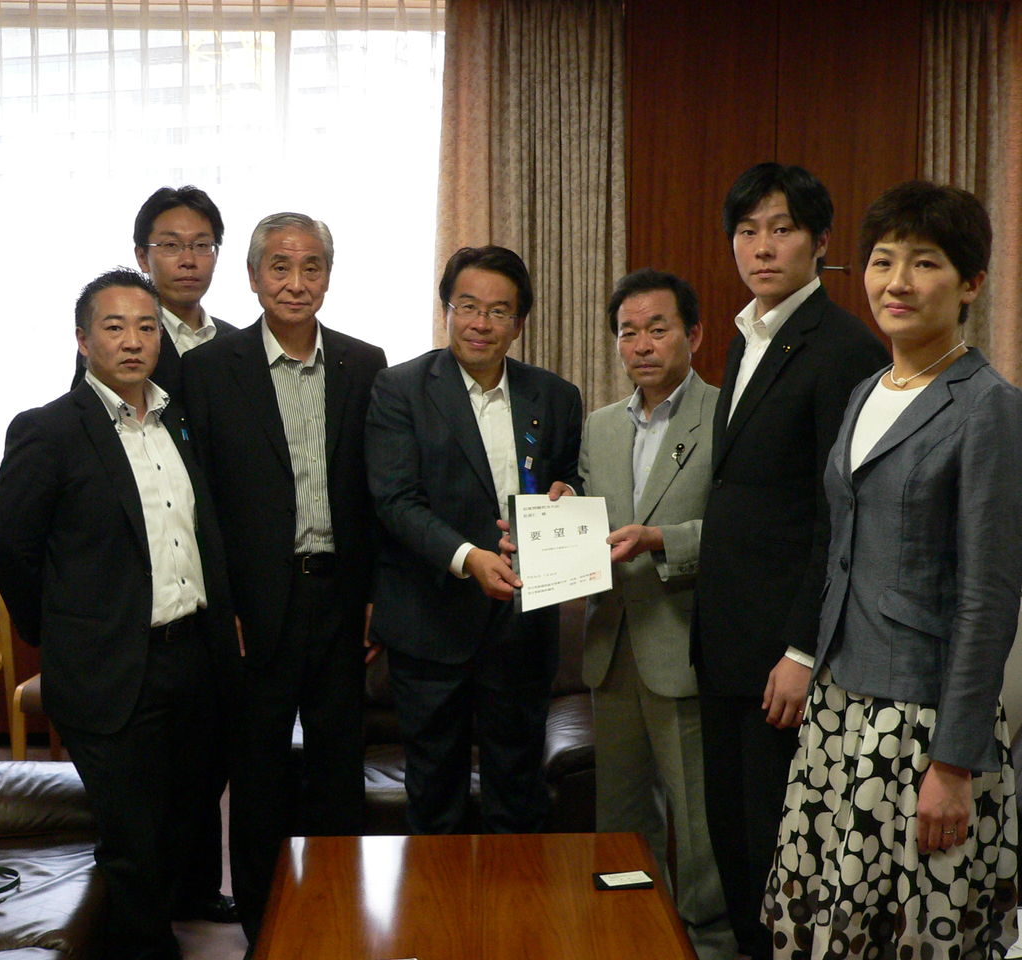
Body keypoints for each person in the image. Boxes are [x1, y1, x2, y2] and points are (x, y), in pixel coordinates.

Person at [764, 180, 1022, 959]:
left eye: (925, 263)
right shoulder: (867, 392)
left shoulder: (990, 407)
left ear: (971, 283)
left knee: (907, 932)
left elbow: (988, 599)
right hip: (838, 704)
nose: (898, 282)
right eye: (884, 261)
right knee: (825, 920)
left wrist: (953, 763)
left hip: (921, 722)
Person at [0, 268, 233, 960]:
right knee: (133, 836)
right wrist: (58, 629)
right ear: (83, 339)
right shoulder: (49, 430)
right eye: (114, 327)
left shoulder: (179, 419)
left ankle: (179, 908)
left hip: (194, 652)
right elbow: (8, 546)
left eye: (146, 327)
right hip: (109, 664)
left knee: (189, 808)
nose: (132, 341)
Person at [693, 162, 890, 960]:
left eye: (782, 230)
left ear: (821, 242)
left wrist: (802, 649)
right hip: (726, 641)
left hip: (783, 653)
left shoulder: (841, 348)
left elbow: (837, 515)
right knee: (732, 838)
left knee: (779, 849)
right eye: (747, 231)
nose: (762, 247)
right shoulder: (747, 336)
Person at [180, 213, 387, 945]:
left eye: (311, 267)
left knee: (339, 770)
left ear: (328, 275)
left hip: (340, 596)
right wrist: (223, 603)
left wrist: (374, 595)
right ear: (252, 276)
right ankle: (265, 928)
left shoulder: (364, 363)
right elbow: (198, 499)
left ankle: (337, 920)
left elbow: (377, 490)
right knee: (259, 771)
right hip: (255, 604)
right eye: (280, 266)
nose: (296, 283)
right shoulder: (210, 368)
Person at [365, 245, 582, 835]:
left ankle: (516, 897)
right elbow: (395, 500)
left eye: (498, 311)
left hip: (521, 627)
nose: (481, 323)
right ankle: (437, 899)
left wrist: (567, 493)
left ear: (519, 322)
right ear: (446, 310)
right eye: (467, 306)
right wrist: (468, 558)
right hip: (430, 622)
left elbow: (572, 478)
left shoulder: (555, 396)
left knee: (519, 793)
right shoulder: (400, 388)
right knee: (435, 797)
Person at [575, 269, 731, 958]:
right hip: (611, 649)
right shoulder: (601, 425)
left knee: (697, 828)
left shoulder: (725, 417)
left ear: (693, 334)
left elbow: (743, 533)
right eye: (627, 332)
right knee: (621, 821)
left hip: (684, 646)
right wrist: (561, 512)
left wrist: (662, 539)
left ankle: (710, 943)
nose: (641, 345)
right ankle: (629, 938)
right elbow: (594, 523)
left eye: (657, 329)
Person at [73, 186, 237, 400]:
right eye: (171, 245)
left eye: (201, 245)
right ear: (142, 257)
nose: (188, 260)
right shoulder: (116, 344)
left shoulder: (236, 342)